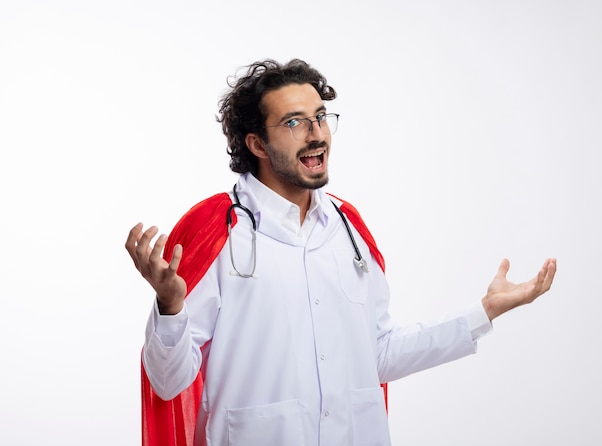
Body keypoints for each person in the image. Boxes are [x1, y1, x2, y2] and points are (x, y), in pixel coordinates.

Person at [125, 58, 557, 446]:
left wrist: (483, 313)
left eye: (320, 118)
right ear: (256, 144)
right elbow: (168, 383)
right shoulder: (215, 231)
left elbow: (379, 355)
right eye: (294, 122)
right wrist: (170, 307)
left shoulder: (349, 231)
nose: (316, 134)